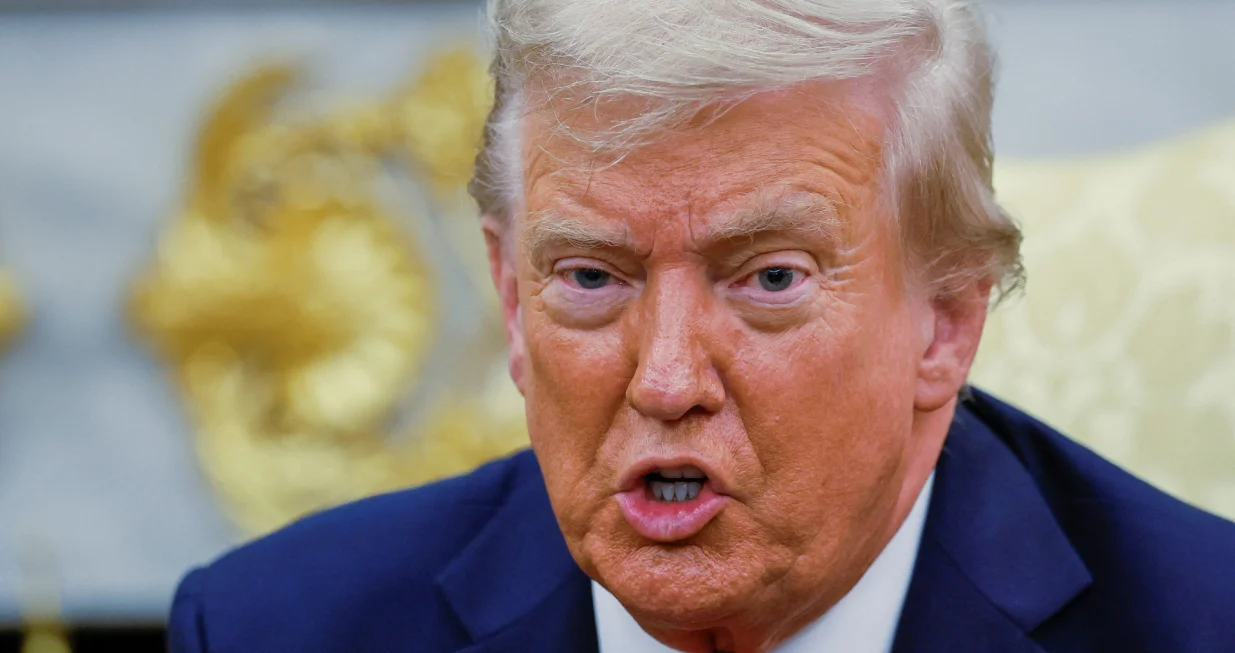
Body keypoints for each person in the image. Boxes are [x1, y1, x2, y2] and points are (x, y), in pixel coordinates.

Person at [167, 0, 1235, 651]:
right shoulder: (274, 629)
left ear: (944, 320)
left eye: (767, 278)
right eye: (589, 276)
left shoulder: (1199, 625)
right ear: (506, 292)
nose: (666, 378)